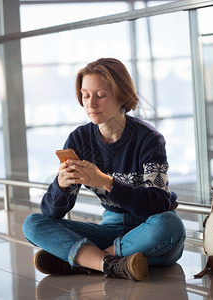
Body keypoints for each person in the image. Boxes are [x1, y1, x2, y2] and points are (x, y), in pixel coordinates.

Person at [23, 58, 186, 281]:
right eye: (85, 95)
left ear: (121, 96)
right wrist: (61, 184)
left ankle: (87, 261)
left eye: (100, 95)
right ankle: (112, 263)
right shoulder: (79, 139)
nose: (91, 104)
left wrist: (105, 182)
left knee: (170, 224)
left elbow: (158, 203)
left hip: (148, 230)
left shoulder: (149, 139)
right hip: (109, 229)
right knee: (33, 224)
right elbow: (53, 213)